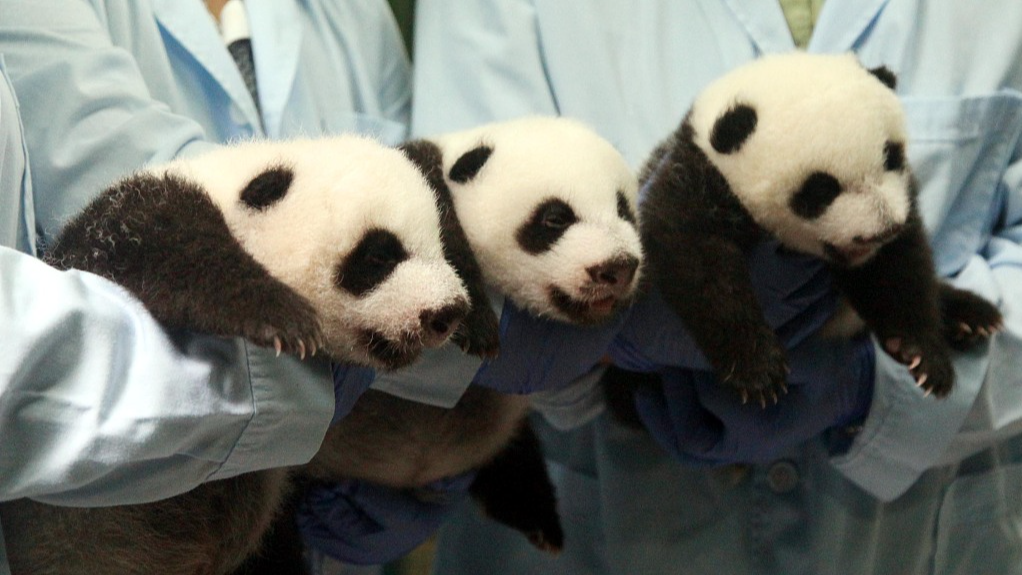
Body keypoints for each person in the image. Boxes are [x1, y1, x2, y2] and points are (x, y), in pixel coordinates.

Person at [410, 2, 1022, 574]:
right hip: (606, 514)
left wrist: (871, 383)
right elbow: (462, 234)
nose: (878, 218)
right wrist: (597, 343)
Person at [0, 0, 411, 572]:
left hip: (293, 492)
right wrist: (262, 373)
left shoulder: (357, 15)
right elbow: (138, 177)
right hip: (108, 511)